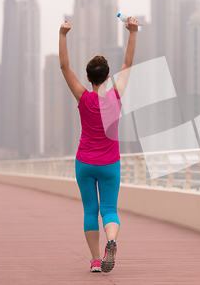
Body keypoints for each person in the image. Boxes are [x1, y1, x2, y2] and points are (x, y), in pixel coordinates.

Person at [58, 16, 139, 273]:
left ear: (88, 76)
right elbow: (128, 63)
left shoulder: (83, 98)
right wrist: (133, 32)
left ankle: (95, 261)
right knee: (109, 209)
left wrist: (62, 34)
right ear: (107, 76)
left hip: (84, 162)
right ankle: (112, 241)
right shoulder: (115, 96)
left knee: (90, 210)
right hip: (110, 163)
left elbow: (63, 67)